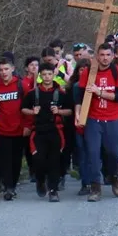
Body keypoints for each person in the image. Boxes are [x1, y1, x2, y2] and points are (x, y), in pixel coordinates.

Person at [73, 45, 118, 202]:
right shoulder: (89, 73)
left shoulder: (117, 72)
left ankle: (114, 178)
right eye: (102, 55)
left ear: (112, 56)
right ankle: (95, 186)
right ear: (96, 56)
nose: (105, 58)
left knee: (113, 152)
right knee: (93, 153)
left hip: (112, 119)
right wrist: (78, 113)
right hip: (93, 119)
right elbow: (79, 95)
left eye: (108, 55)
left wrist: (100, 92)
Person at [24, 70, 72, 202]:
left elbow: (70, 111)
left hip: (56, 131)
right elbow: (23, 109)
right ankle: (40, 180)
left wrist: (59, 111)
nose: (47, 77)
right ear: (40, 76)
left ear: (53, 75)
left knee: (54, 161)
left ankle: (53, 190)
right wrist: (32, 111)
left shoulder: (60, 93)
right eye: (44, 74)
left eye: (49, 74)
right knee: (39, 160)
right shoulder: (33, 93)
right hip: (38, 131)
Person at [0, 54, 32, 201]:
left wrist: (28, 125)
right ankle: (8, 187)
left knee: (16, 160)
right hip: (1, 130)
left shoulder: (22, 85)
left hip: (19, 129)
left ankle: (12, 185)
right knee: (4, 159)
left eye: (6, 69)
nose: (3, 72)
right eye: (1, 70)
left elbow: (28, 106)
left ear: (12, 69)